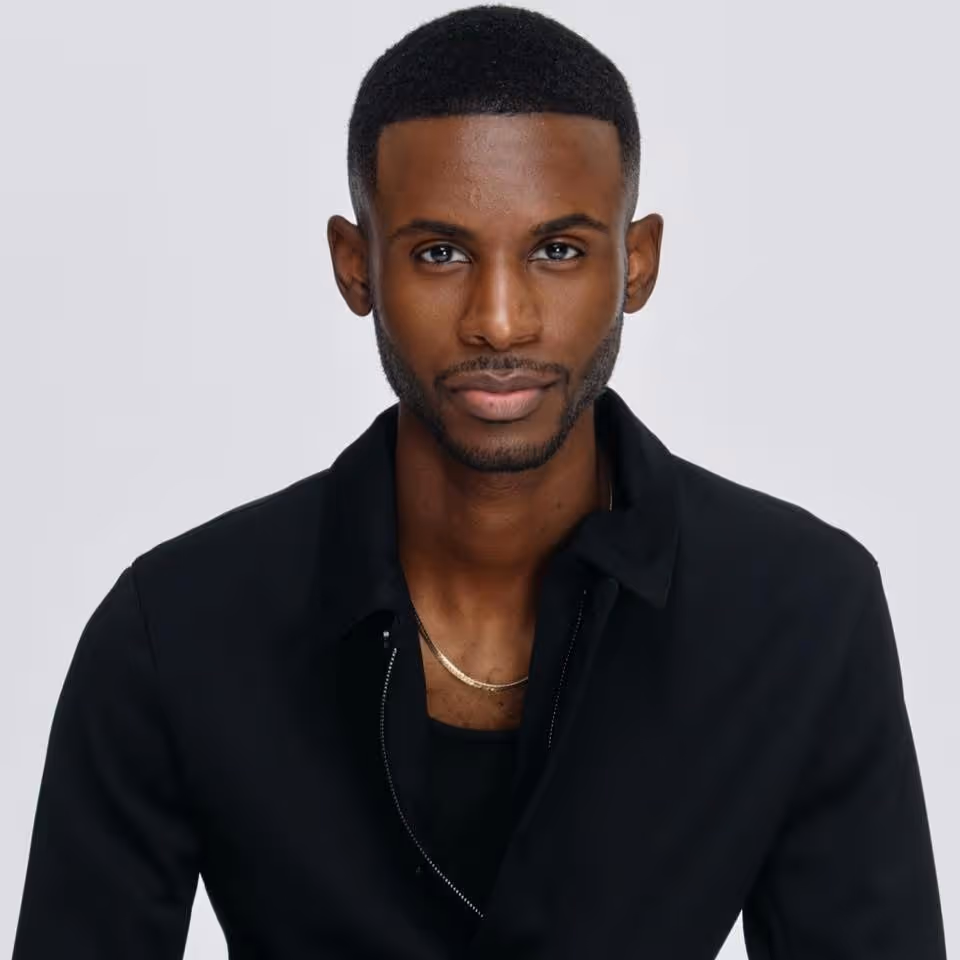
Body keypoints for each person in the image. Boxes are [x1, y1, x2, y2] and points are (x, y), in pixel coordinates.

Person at [12, 5, 946, 958]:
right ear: (355, 265)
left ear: (637, 261)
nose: (500, 322)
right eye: (440, 253)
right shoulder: (175, 631)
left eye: (557, 250)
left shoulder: (801, 614)